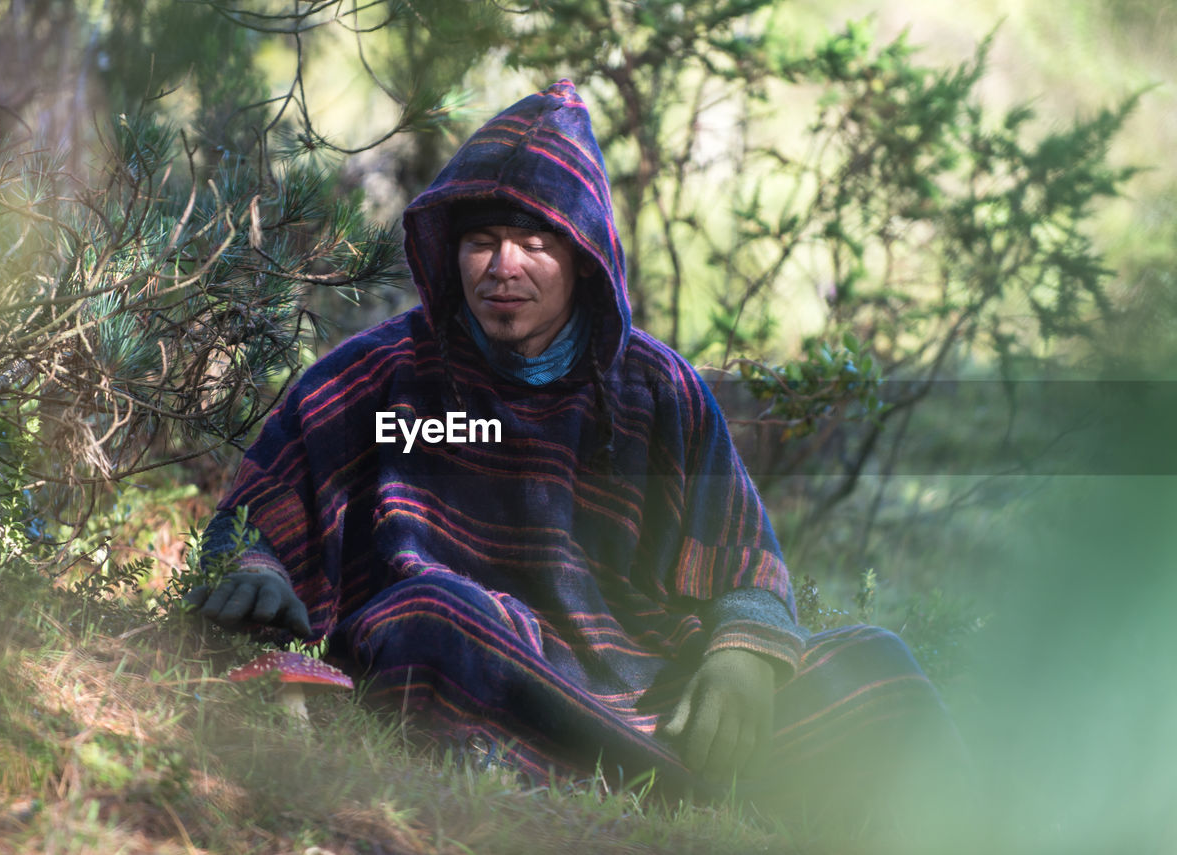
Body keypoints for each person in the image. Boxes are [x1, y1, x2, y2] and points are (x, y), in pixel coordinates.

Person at [184, 80, 962, 810]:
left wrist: (743, 655)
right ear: (452, 253)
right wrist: (254, 565)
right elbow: (257, 510)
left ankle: (670, 771)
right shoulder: (383, 374)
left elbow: (745, 559)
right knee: (434, 615)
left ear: (584, 257)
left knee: (877, 667)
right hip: (473, 657)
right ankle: (693, 793)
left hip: (647, 684)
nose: (503, 266)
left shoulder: (657, 388)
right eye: (482, 240)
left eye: (534, 242)